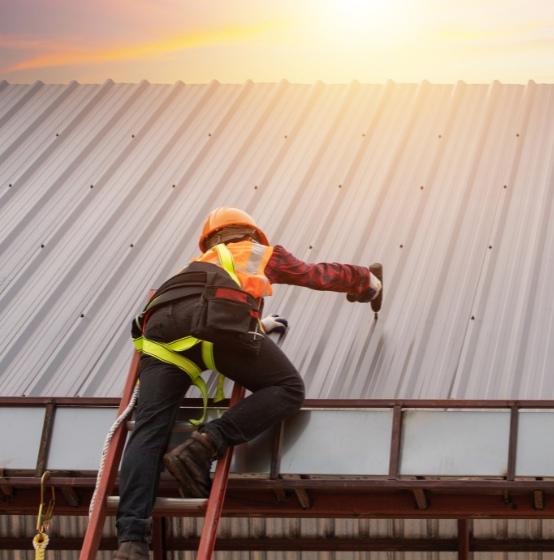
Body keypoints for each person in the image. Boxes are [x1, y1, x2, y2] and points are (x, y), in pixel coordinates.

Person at [115, 207, 382, 559]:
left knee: (149, 431)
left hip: (161, 336)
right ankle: (205, 445)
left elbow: (202, 306)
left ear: (210, 239)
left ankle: (131, 541)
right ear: (252, 234)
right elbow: (316, 274)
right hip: (214, 328)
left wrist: (260, 325)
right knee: (288, 389)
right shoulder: (259, 252)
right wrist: (366, 282)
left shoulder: (192, 267)